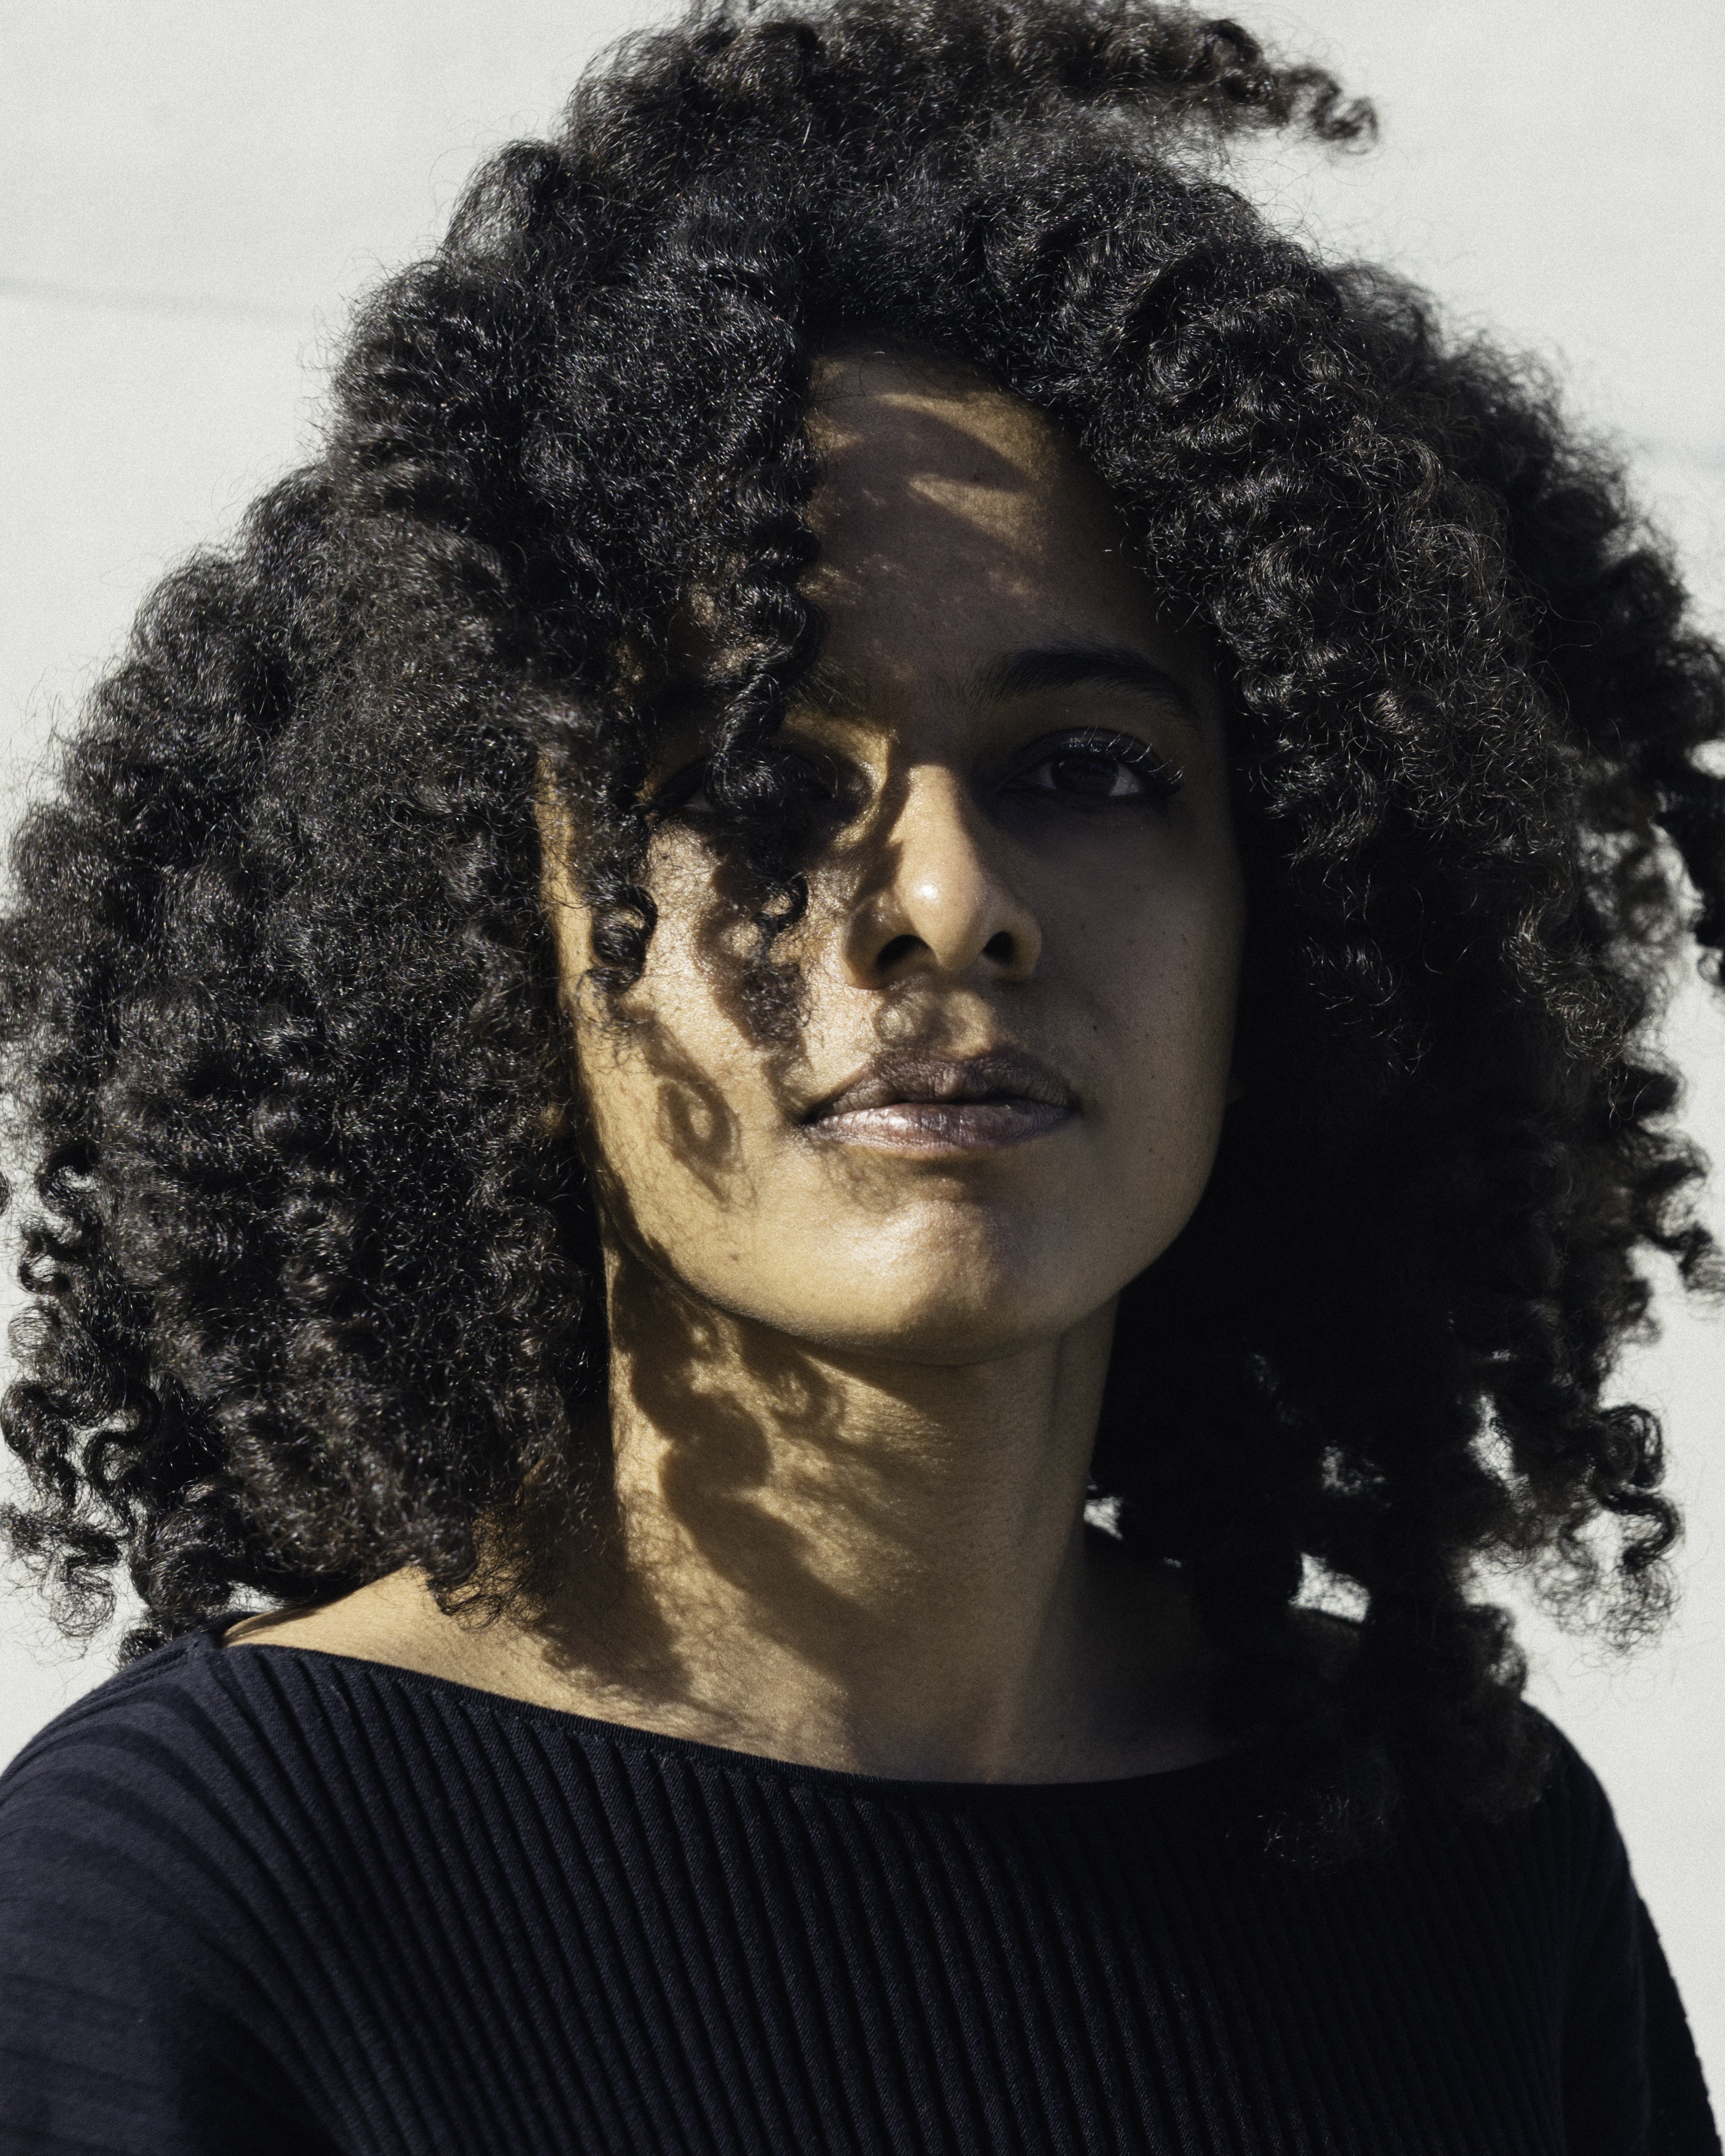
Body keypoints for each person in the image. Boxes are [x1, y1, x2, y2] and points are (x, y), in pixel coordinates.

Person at [0, 0, 1719, 2148]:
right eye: (756, 777)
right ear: (487, 944)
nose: (948, 901)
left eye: (1088, 771)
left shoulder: (1461, 1869)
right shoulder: (193, 1898)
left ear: (1291, 931)